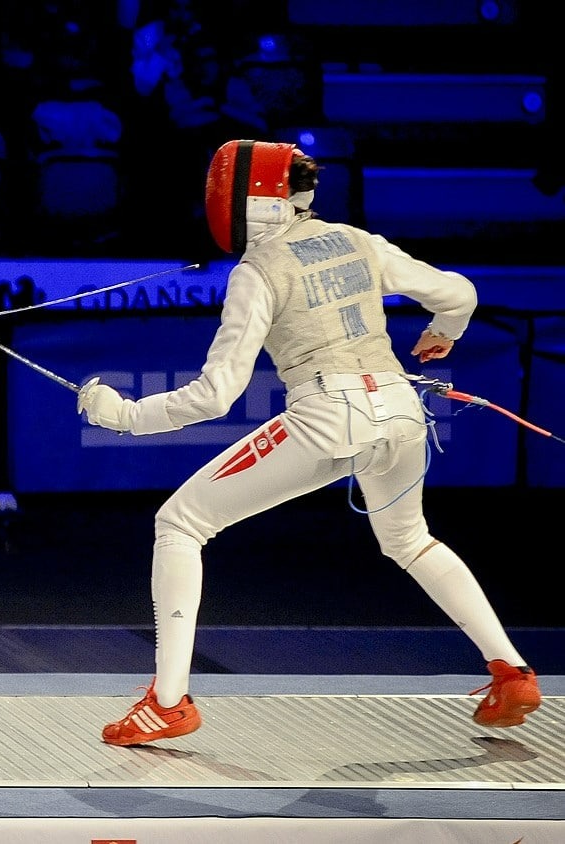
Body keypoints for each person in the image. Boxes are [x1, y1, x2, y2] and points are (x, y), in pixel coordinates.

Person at [78, 139, 542, 746]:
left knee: (181, 523)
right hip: (403, 411)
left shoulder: (258, 272)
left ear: (250, 201)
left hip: (329, 412)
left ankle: (168, 703)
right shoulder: (358, 240)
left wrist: (124, 415)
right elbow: (459, 293)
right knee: (409, 539)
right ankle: (511, 671)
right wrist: (443, 333)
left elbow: (216, 395)